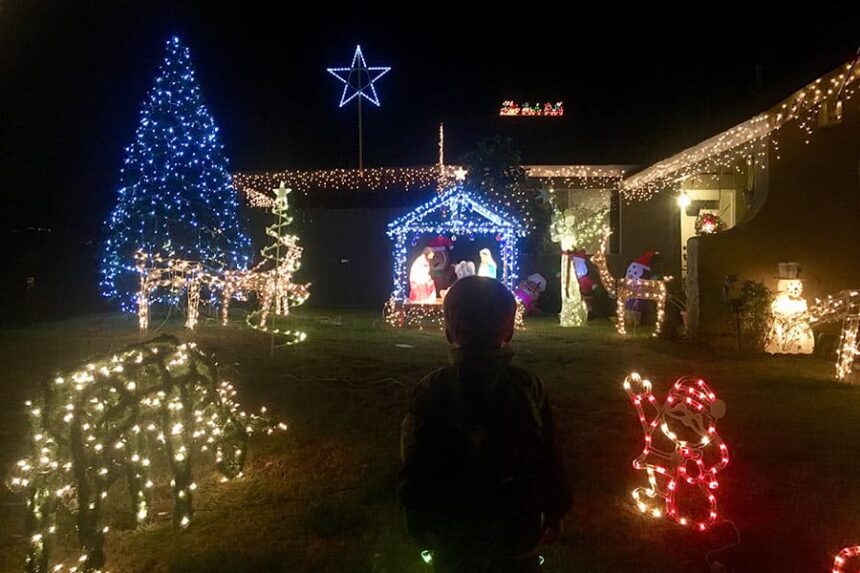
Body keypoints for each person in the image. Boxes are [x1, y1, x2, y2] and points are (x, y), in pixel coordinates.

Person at [400, 276, 571, 573]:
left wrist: (417, 516)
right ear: (509, 330)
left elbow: (414, 456)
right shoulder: (527, 386)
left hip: (453, 523)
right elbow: (548, 451)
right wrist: (555, 508)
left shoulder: (432, 389)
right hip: (517, 520)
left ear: (448, 329)